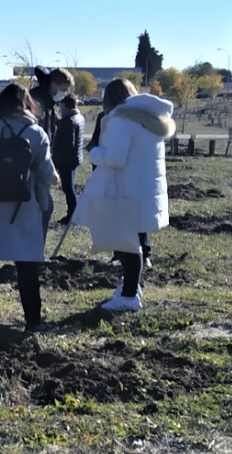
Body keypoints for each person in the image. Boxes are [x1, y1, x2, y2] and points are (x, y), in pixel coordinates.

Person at [0, 83, 58, 333]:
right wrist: (42, 203)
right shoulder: (35, 133)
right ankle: (33, 322)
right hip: (24, 207)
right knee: (27, 266)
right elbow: (47, 174)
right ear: (27, 103)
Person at [74, 81, 173, 312]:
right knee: (133, 242)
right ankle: (131, 287)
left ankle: (129, 296)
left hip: (128, 190)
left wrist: (95, 153)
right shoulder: (147, 119)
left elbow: (115, 159)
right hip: (143, 189)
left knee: (128, 246)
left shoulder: (121, 120)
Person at [86, 79, 153, 267]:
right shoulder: (106, 117)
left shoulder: (127, 120)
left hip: (121, 170)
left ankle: (141, 253)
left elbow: (114, 154)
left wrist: (97, 154)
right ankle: (122, 254)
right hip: (127, 172)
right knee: (122, 213)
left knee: (126, 214)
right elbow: (97, 139)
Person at [53, 95, 86, 225]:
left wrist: (55, 159)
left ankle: (73, 215)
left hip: (66, 160)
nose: (60, 108)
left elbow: (68, 141)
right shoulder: (78, 117)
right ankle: (73, 214)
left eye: (61, 105)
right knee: (69, 187)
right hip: (75, 157)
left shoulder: (68, 121)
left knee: (68, 188)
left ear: (65, 105)